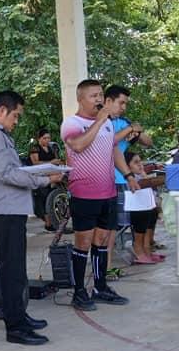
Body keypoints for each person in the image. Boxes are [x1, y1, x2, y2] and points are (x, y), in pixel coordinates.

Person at [0, 91, 62, 345]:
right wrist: (45, 179)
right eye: (15, 116)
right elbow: (7, 173)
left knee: (16, 270)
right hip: (3, 210)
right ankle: (15, 327)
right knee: (11, 271)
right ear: (2, 111)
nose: (16, 121)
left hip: (10, 208)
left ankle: (20, 317)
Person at [60, 79, 140, 311]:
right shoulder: (72, 123)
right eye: (93, 96)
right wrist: (99, 121)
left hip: (107, 192)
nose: (98, 99)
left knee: (102, 241)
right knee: (83, 242)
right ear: (80, 99)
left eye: (100, 95)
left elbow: (113, 149)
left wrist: (128, 175)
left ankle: (100, 287)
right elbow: (78, 146)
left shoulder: (106, 124)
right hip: (84, 193)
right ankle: (78, 292)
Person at [105, 85, 153, 275]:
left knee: (134, 218)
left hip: (123, 177)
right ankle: (105, 267)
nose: (124, 107)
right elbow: (110, 141)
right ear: (108, 101)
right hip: (108, 180)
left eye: (126, 103)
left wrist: (137, 132)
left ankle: (138, 251)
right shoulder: (102, 122)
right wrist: (129, 130)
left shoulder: (123, 121)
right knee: (108, 229)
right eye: (121, 103)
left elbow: (148, 142)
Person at [123, 150, 164, 264]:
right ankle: (138, 249)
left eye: (140, 162)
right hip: (129, 210)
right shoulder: (128, 178)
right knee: (143, 213)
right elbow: (143, 184)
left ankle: (147, 249)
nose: (140, 165)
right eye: (136, 162)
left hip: (142, 206)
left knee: (152, 212)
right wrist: (164, 179)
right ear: (127, 166)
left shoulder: (139, 174)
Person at [28, 128, 62, 231]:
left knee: (52, 198)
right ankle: (48, 223)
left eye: (48, 138)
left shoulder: (51, 148)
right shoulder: (35, 148)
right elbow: (36, 163)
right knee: (43, 199)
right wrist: (51, 162)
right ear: (39, 139)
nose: (47, 140)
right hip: (40, 177)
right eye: (45, 138)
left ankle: (54, 221)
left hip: (51, 175)